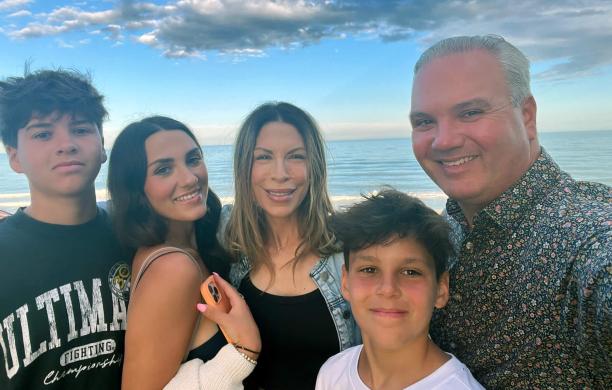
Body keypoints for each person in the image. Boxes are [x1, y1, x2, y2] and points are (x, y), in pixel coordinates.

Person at [410, 34, 611, 388]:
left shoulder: (587, 238)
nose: (443, 140)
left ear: (527, 116)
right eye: (425, 122)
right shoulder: (446, 230)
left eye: (470, 112)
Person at [107, 116, 260, 389]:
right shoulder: (174, 268)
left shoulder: (188, 248)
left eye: (193, 159)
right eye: (164, 170)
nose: (190, 178)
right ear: (136, 188)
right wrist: (243, 354)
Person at [0, 69, 130, 389]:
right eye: (43, 134)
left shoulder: (136, 239)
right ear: (14, 157)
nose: (66, 144)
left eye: (81, 129)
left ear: (102, 146)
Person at [220, 102, 360, 390]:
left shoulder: (349, 250)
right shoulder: (228, 239)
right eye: (263, 157)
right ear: (244, 167)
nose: (280, 173)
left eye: (296, 156)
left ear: (314, 167)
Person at [316, 188, 484, 389]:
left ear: (441, 289)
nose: (388, 289)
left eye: (410, 272)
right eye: (369, 269)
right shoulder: (333, 373)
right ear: (345, 282)